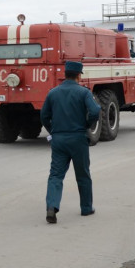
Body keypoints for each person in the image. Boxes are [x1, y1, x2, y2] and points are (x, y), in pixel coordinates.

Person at [41, 61, 101, 224]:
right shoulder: (83, 92)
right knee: (83, 174)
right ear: (79, 75)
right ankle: (86, 208)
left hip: (58, 140)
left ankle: (52, 206)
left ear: (65, 74)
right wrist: (87, 125)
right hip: (78, 138)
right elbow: (95, 111)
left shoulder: (53, 93)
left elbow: (44, 116)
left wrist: (53, 131)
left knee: (56, 175)